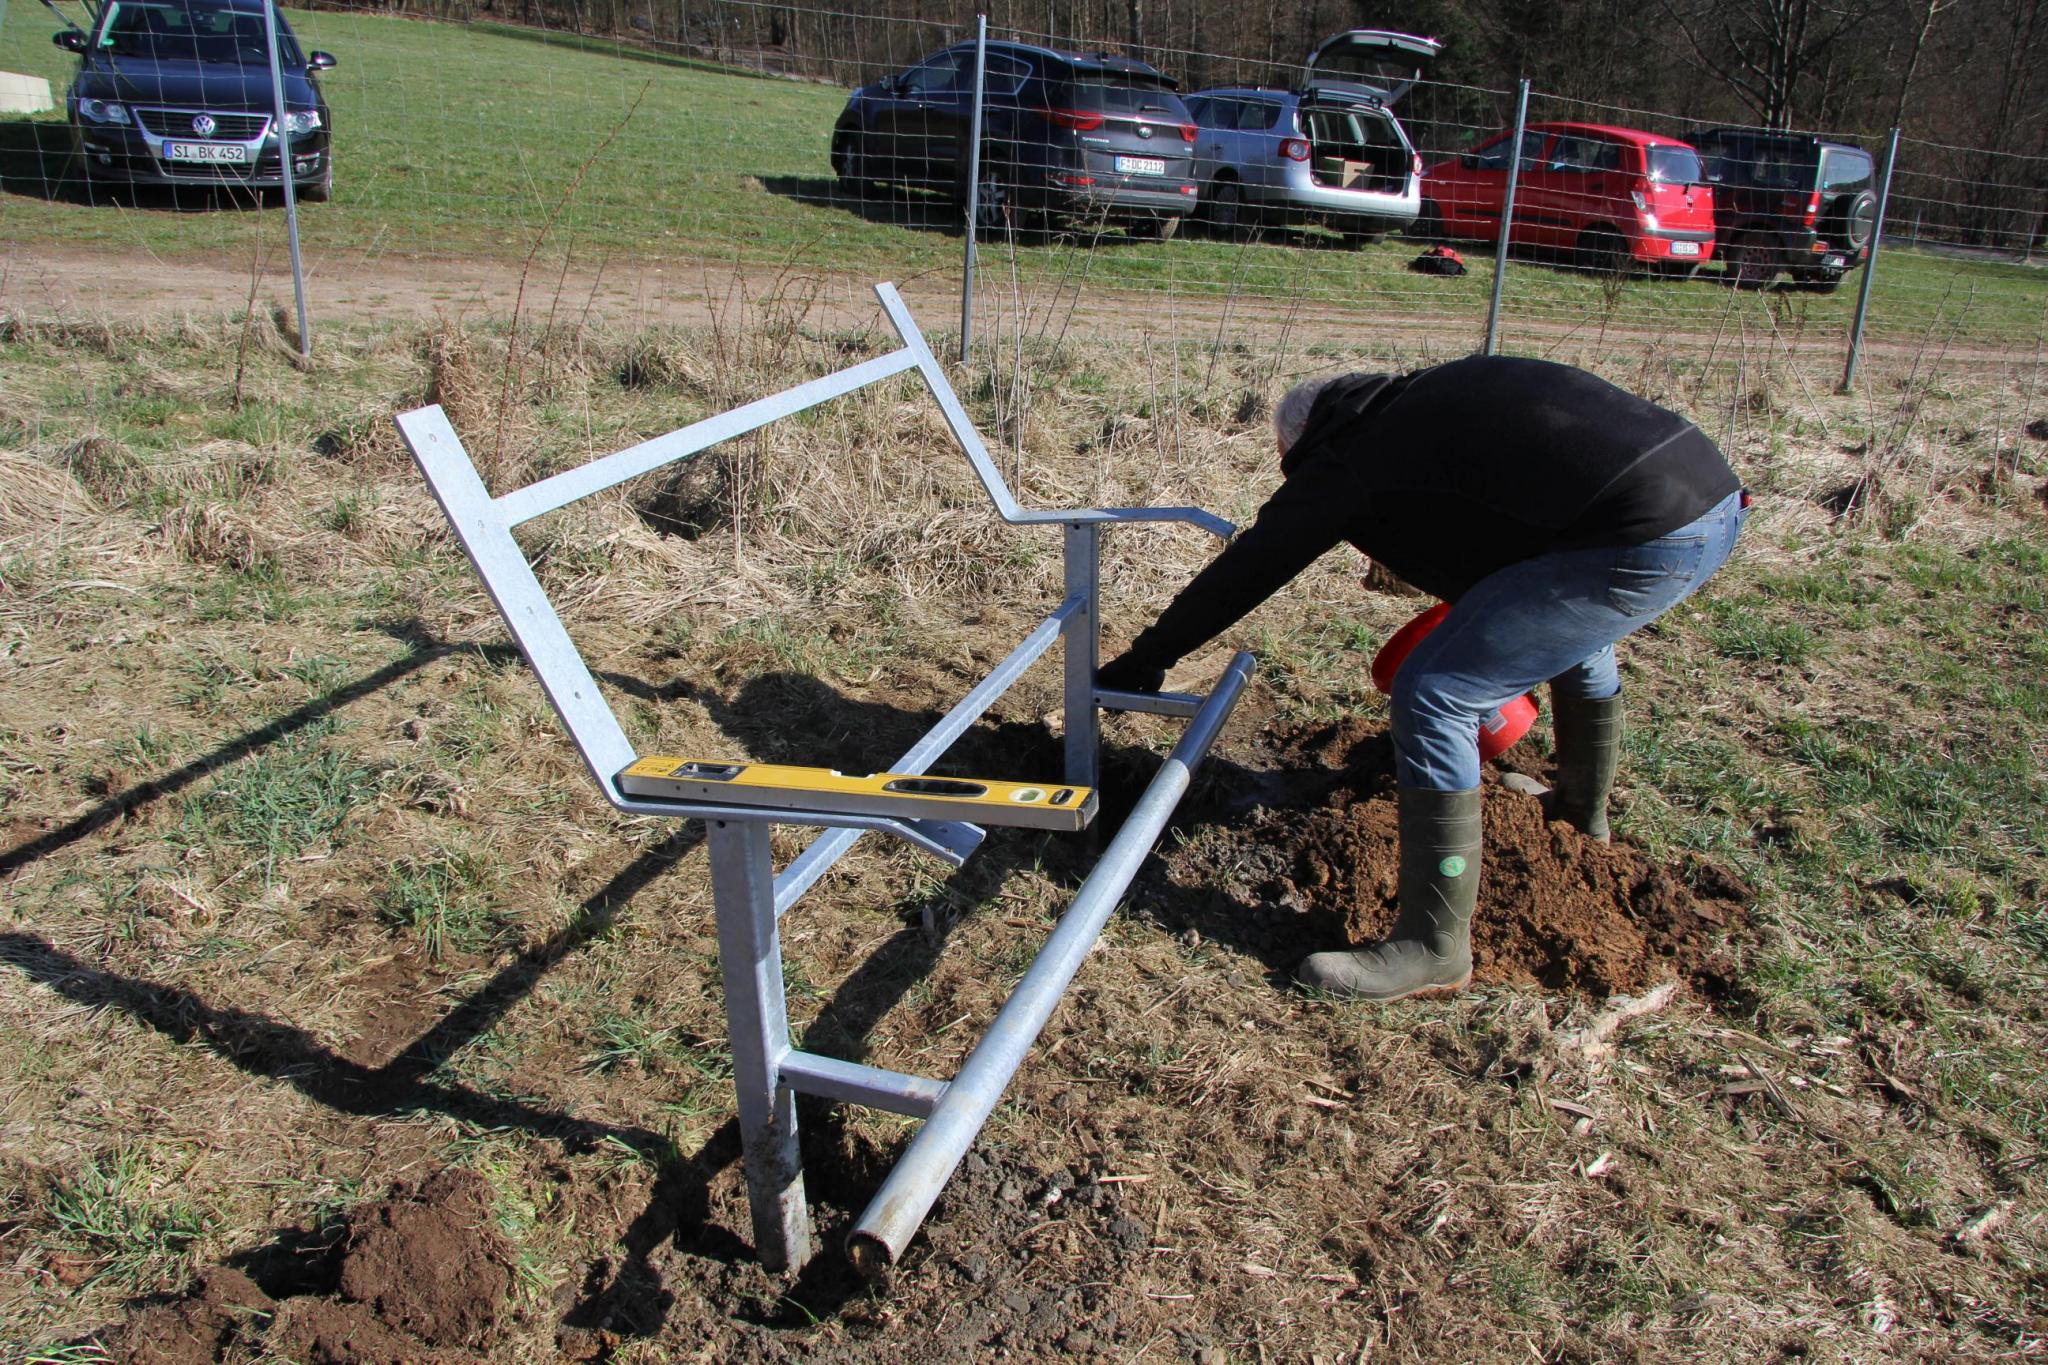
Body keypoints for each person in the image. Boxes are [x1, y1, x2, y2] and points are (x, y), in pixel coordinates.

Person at [1096, 356, 1748, 1001]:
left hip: (1646, 532)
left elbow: (1251, 566)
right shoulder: (1427, 398)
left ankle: (1434, 947)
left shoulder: (1350, 454)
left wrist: (1149, 655)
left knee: (1437, 691)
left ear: (1296, 442)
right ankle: (1579, 815)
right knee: (1573, 628)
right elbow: (1502, 517)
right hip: (1708, 491)